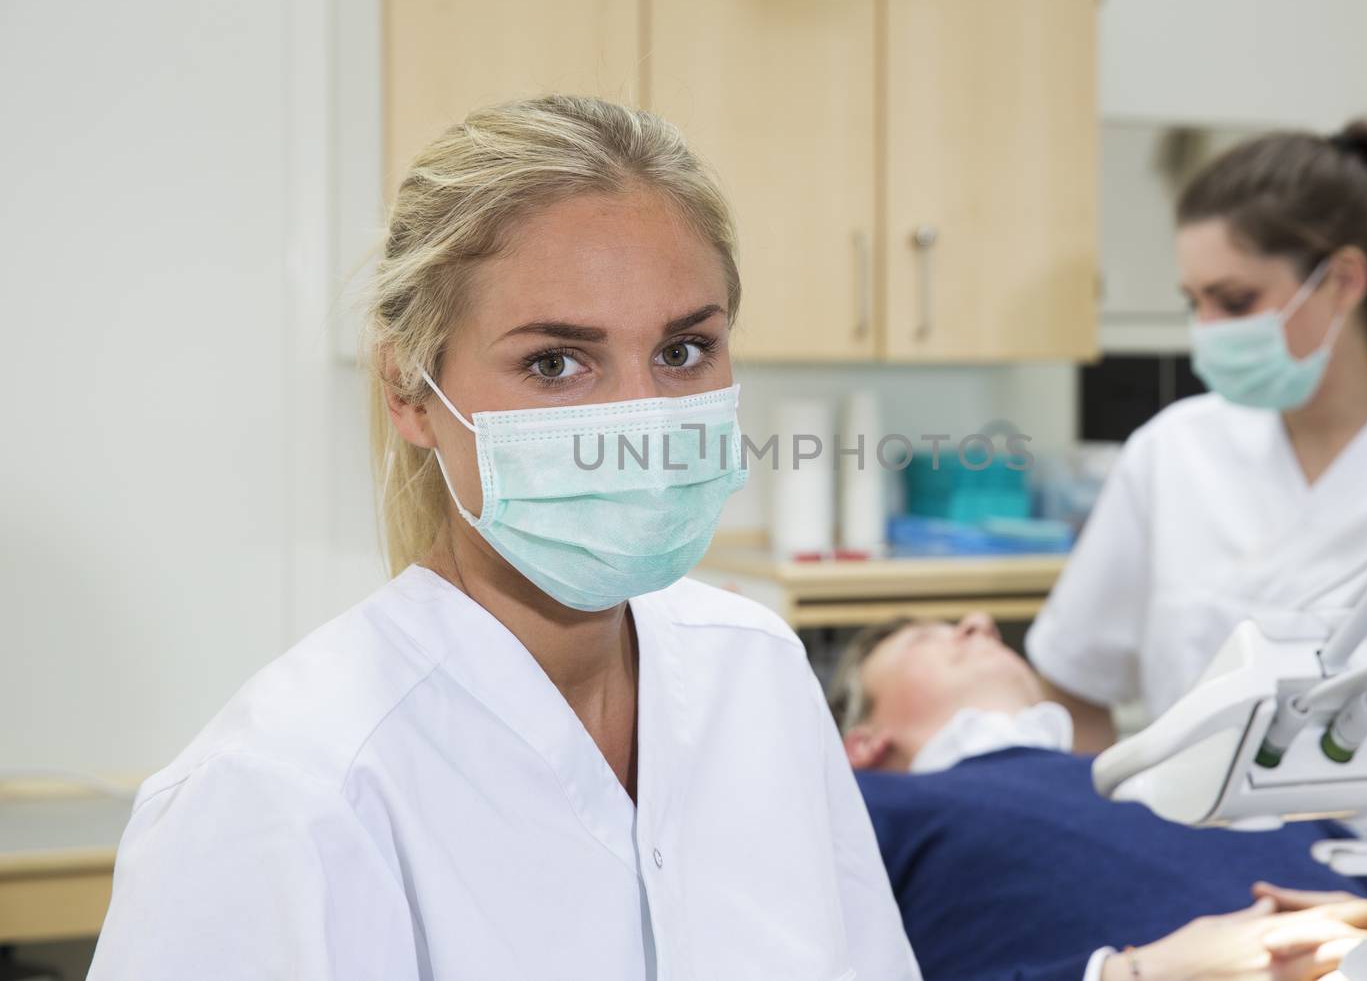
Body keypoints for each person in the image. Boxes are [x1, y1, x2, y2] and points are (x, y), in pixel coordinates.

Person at [88, 96, 918, 979]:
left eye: (683, 351)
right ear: (410, 390)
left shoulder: (759, 676)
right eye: (556, 362)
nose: (639, 422)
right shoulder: (285, 789)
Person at [1026, 120, 1367, 752]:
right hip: (1196, 845)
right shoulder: (1173, 453)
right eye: (1192, 303)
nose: (1206, 331)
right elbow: (1072, 683)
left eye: (1232, 302)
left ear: (1342, 281)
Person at [832, 612, 1367, 981]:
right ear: (862, 742)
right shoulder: (869, 807)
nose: (979, 623)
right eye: (924, 639)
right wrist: (1134, 974)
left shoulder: (1216, 780)